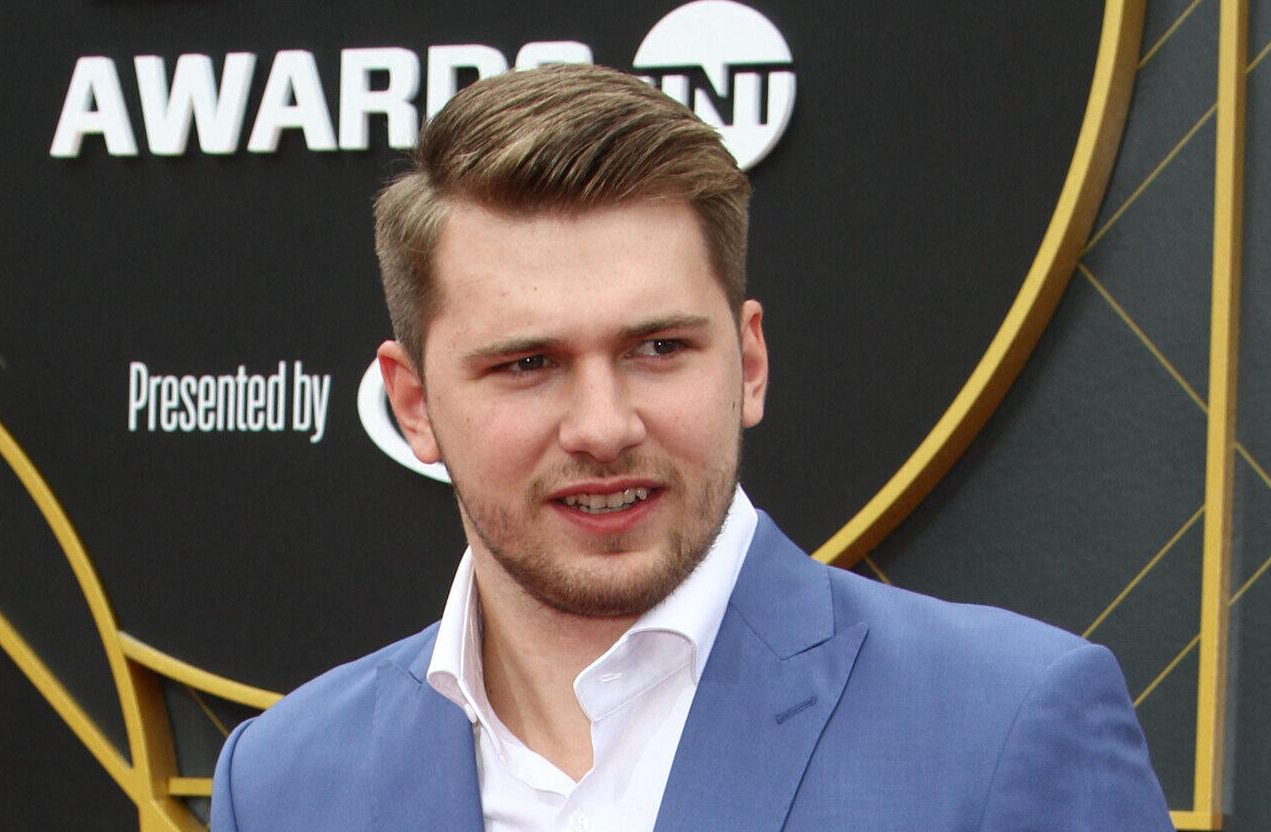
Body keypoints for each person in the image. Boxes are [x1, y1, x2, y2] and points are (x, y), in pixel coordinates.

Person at [211, 63, 1174, 831]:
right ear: (412, 403)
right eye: (527, 364)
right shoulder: (285, 784)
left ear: (748, 361)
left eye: (659, 348)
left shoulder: (1003, 726)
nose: (603, 426)